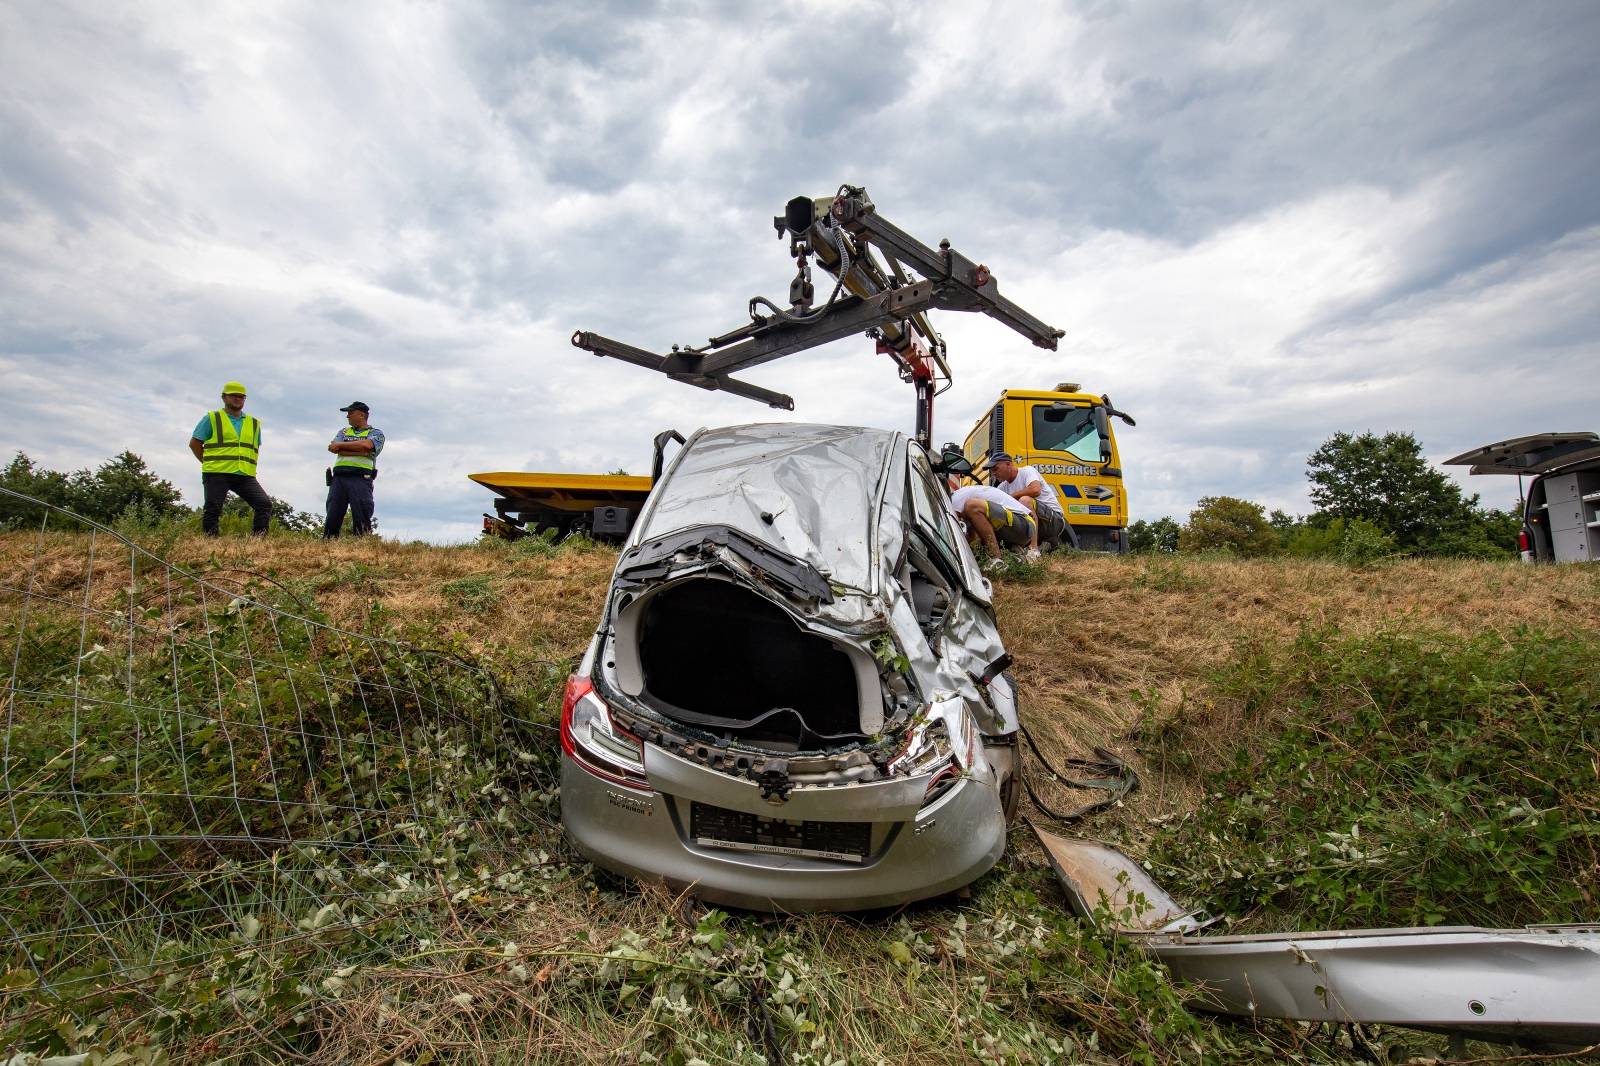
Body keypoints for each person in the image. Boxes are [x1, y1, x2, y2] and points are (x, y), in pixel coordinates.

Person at [189, 381, 272, 537]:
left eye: (241, 397)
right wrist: (207, 462)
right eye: (233, 396)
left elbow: (254, 448)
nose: (237, 399)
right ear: (224, 397)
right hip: (217, 472)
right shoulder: (212, 418)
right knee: (213, 508)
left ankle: (258, 542)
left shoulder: (254, 424)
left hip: (244, 474)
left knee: (264, 504)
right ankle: (210, 542)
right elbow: (194, 443)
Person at [947, 475, 1036, 570]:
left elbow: (953, 534)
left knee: (971, 506)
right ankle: (1014, 553)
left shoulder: (954, 501)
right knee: (972, 523)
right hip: (1022, 529)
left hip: (1024, 523)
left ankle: (996, 560)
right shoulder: (961, 498)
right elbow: (972, 535)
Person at [989, 452, 1066, 560]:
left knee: (1024, 500)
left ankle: (1033, 551)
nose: (994, 474)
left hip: (1054, 520)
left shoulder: (1027, 471)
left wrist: (1009, 498)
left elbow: (1035, 490)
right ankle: (1017, 549)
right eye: (991, 471)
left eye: (996, 469)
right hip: (1034, 522)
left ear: (1008, 464)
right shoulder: (1002, 487)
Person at [324, 401, 384, 538]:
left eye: (351, 413)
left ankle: (361, 545)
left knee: (362, 515)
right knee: (333, 514)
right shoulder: (344, 431)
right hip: (338, 478)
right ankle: (328, 543)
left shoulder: (376, 433)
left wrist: (343, 448)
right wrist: (359, 450)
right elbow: (333, 447)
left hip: (361, 478)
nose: (347, 416)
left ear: (362, 415)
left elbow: (367, 446)